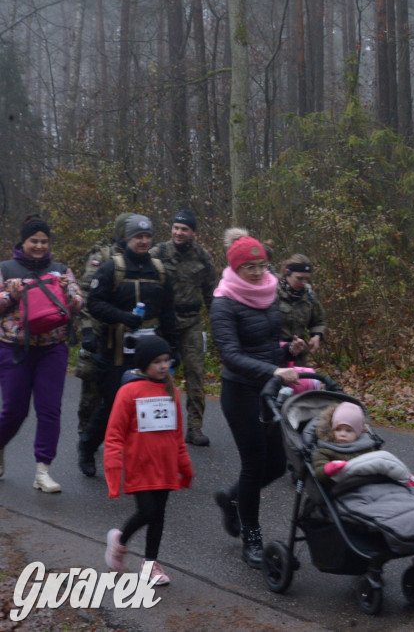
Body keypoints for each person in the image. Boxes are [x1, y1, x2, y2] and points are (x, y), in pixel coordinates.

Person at [210, 228, 304, 568]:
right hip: (240, 390)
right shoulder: (223, 302)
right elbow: (232, 355)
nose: (257, 272)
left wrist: (285, 350)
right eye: (250, 267)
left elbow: (264, 343)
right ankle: (251, 537)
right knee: (253, 463)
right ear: (235, 268)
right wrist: (274, 370)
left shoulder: (268, 293)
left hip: (269, 385)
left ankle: (231, 498)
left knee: (278, 464)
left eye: (262, 265)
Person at [78, 214, 177, 479]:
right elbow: (94, 304)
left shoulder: (160, 270)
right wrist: (123, 317)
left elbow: (168, 311)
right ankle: (87, 447)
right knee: (113, 405)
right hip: (115, 348)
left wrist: (172, 347)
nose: (143, 241)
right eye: (138, 237)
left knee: (150, 403)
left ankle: (146, 459)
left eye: (147, 236)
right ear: (127, 238)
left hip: (152, 349)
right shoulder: (112, 268)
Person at [0, 216, 84, 492]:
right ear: (22, 242)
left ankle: (42, 471)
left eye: (44, 241)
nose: (39, 246)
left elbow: (77, 301)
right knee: (14, 409)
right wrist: (12, 293)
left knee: (49, 409)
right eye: (33, 241)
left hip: (52, 348)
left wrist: (66, 292)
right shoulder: (6, 269)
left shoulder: (60, 269)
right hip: (14, 348)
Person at [102, 335, 192, 585]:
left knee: (159, 515)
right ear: (144, 364)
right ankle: (119, 541)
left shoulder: (171, 391)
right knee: (148, 511)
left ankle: (150, 564)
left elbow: (176, 434)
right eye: (157, 362)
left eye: (167, 360)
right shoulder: (128, 392)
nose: (164, 366)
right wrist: (113, 471)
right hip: (140, 465)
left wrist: (184, 466)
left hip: (165, 467)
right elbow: (114, 435)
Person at [152, 210, 216, 447]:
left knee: (195, 374)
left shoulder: (203, 257)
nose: (179, 233)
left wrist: (219, 325)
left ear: (193, 233)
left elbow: (211, 293)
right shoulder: (158, 253)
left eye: (184, 229)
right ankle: (158, 425)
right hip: (163, 323)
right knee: (159, 373)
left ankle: (195, 427)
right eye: (176, 228)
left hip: (191, 322)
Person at [76, 213, 135, 433]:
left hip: (128, 332)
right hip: (100, 330)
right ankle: (86, 432)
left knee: (127, 385)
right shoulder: (102, 256)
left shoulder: (142, 257)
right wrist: (88, 330)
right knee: (92, 386)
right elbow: (85, 294)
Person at [311, 401, 414, 488]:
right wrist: (328, 469)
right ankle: (404, 476)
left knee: (384, 457)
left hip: (369, 483)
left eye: (348, 431)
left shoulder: (366, 446)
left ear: (358, 432)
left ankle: (405, 478)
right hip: (342, 485)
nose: (342, 434)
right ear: (332, 429)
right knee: (383, 459)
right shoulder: (325, 450)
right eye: (338, 429)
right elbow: (319, 470)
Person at [276, 254, 327, 366]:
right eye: (299, 278)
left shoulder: (309, 296)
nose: (304, 282)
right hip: (274, 355)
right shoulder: (272, 294)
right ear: (287, 273)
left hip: (298, 357)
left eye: (307, 279)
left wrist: (316, 336)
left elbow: (319, 321)